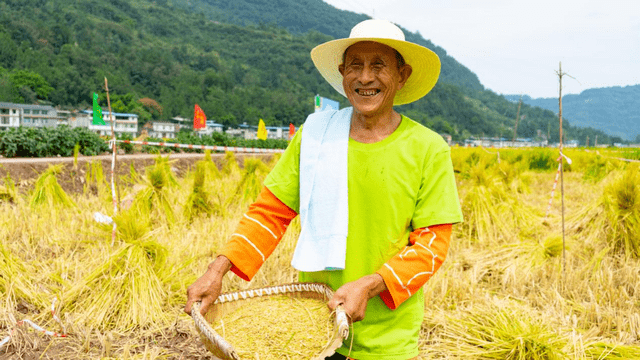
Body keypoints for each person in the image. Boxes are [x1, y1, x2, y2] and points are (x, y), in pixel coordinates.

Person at [185, 19, 463, 360]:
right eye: (356, 66)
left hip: (387, 339)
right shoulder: (315, 135)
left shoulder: (427, 148)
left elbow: (432, 246)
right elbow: (270, 213)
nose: (365, 77)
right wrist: (216, 271)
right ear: (342, 72)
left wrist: (369, 285)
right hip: (314, 327)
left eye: (379, 65)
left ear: (402, 75)